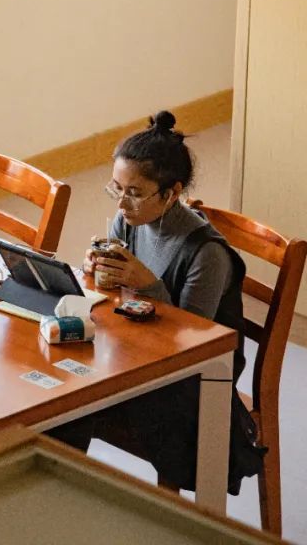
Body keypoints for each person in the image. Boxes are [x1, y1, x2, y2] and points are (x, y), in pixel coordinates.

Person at [52, 110, 263, 493]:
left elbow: (193, 342)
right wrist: (95, 271)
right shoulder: (128, 222)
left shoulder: (206, 254)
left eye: (134, 193)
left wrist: (150, 285)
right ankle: (56, 491)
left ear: (171, 193)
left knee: (80, 399)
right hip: (137, 354)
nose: (122, 205)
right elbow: (115, 300)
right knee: (64, 390)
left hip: (193, 379)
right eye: (116, 189)